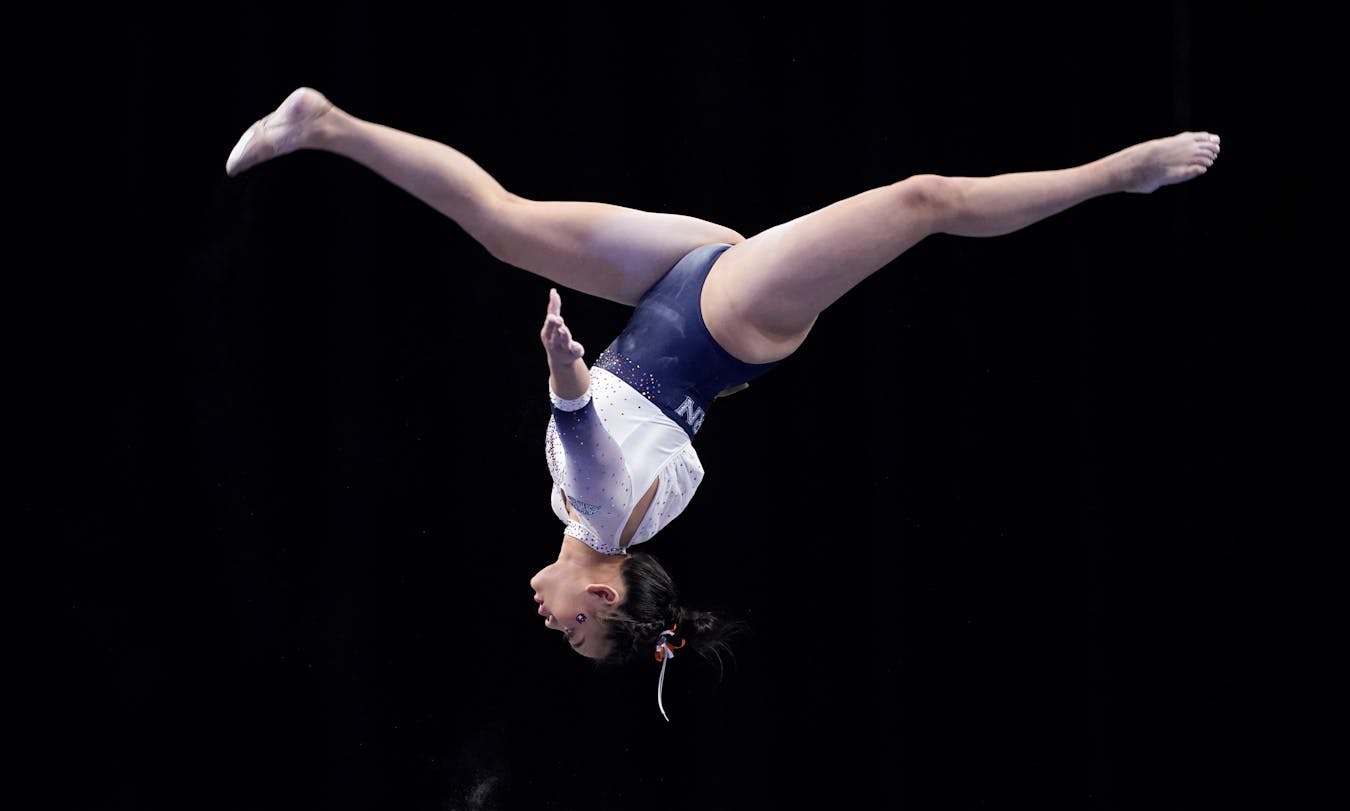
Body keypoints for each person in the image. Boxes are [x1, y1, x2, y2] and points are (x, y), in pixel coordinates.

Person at [225, 87, 1220, 706]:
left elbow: (585, 438)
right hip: (724, 321)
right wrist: (565, 368)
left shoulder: (573, 513)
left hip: (668, 294)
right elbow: (580, 431)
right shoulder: (603, 511)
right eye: (576, 628)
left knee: (500, 221)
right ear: (605, 597)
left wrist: (579, 372)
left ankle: (326, 124)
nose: (551, 621)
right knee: (926, 200)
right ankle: (1110, 174)